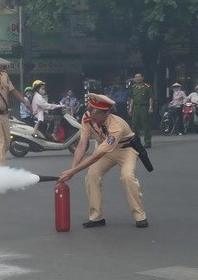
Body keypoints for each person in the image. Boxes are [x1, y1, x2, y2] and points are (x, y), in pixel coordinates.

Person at [58, 93, 148, 228]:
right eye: (91, 112)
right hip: (104, 148)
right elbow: (82, 144)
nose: (93, 118)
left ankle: (140, 216)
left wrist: (73, 172)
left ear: (107, 112)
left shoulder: (116, 126)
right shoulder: (87, 117)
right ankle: (96, 217)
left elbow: (97, 155)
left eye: (97, 115)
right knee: (91, 176)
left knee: (127, 177)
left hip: (125, 150)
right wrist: (72, 169)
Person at [128, 72, 154, 148]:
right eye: (136, 77)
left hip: (144, 107)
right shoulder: (133, 87)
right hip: (136, 108)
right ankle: (135, 142)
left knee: (146, 125)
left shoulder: (147, 87)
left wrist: (150, 107)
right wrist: (130, 108)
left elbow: (150, 98)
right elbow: (132, 99)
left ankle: (148, 142)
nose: (137, 78)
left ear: (142, 78)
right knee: (134, 125)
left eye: (139, 76)